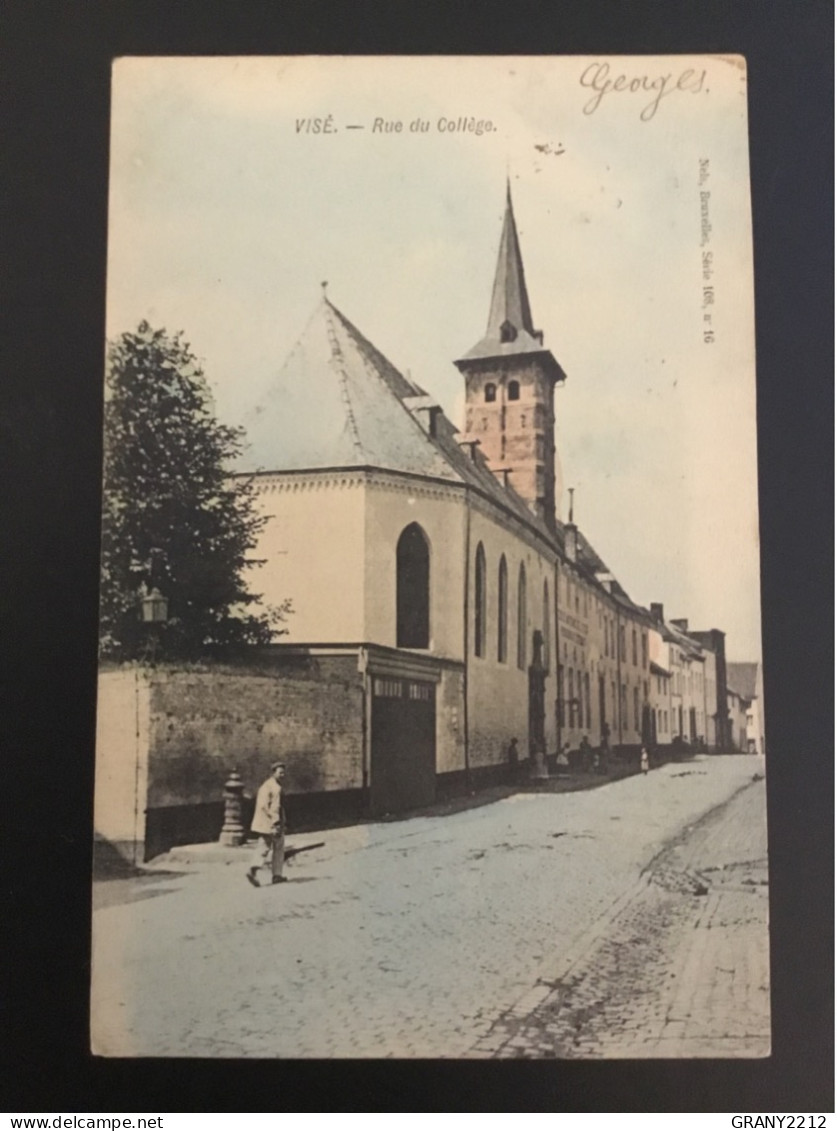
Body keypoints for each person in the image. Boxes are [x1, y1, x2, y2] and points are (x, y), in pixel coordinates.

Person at [246, 761, 287, 887]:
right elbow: (275, 807)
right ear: (273, 773)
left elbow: (262, 806)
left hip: (262, 823)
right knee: (278, 847)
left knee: (264, 846)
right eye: (280, 772)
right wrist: (276, 823)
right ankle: (276, 875)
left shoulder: (265, 786)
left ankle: (254, 868)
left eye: (284, 772)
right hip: (272, 823)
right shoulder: (276, 788)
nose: (283, 775)